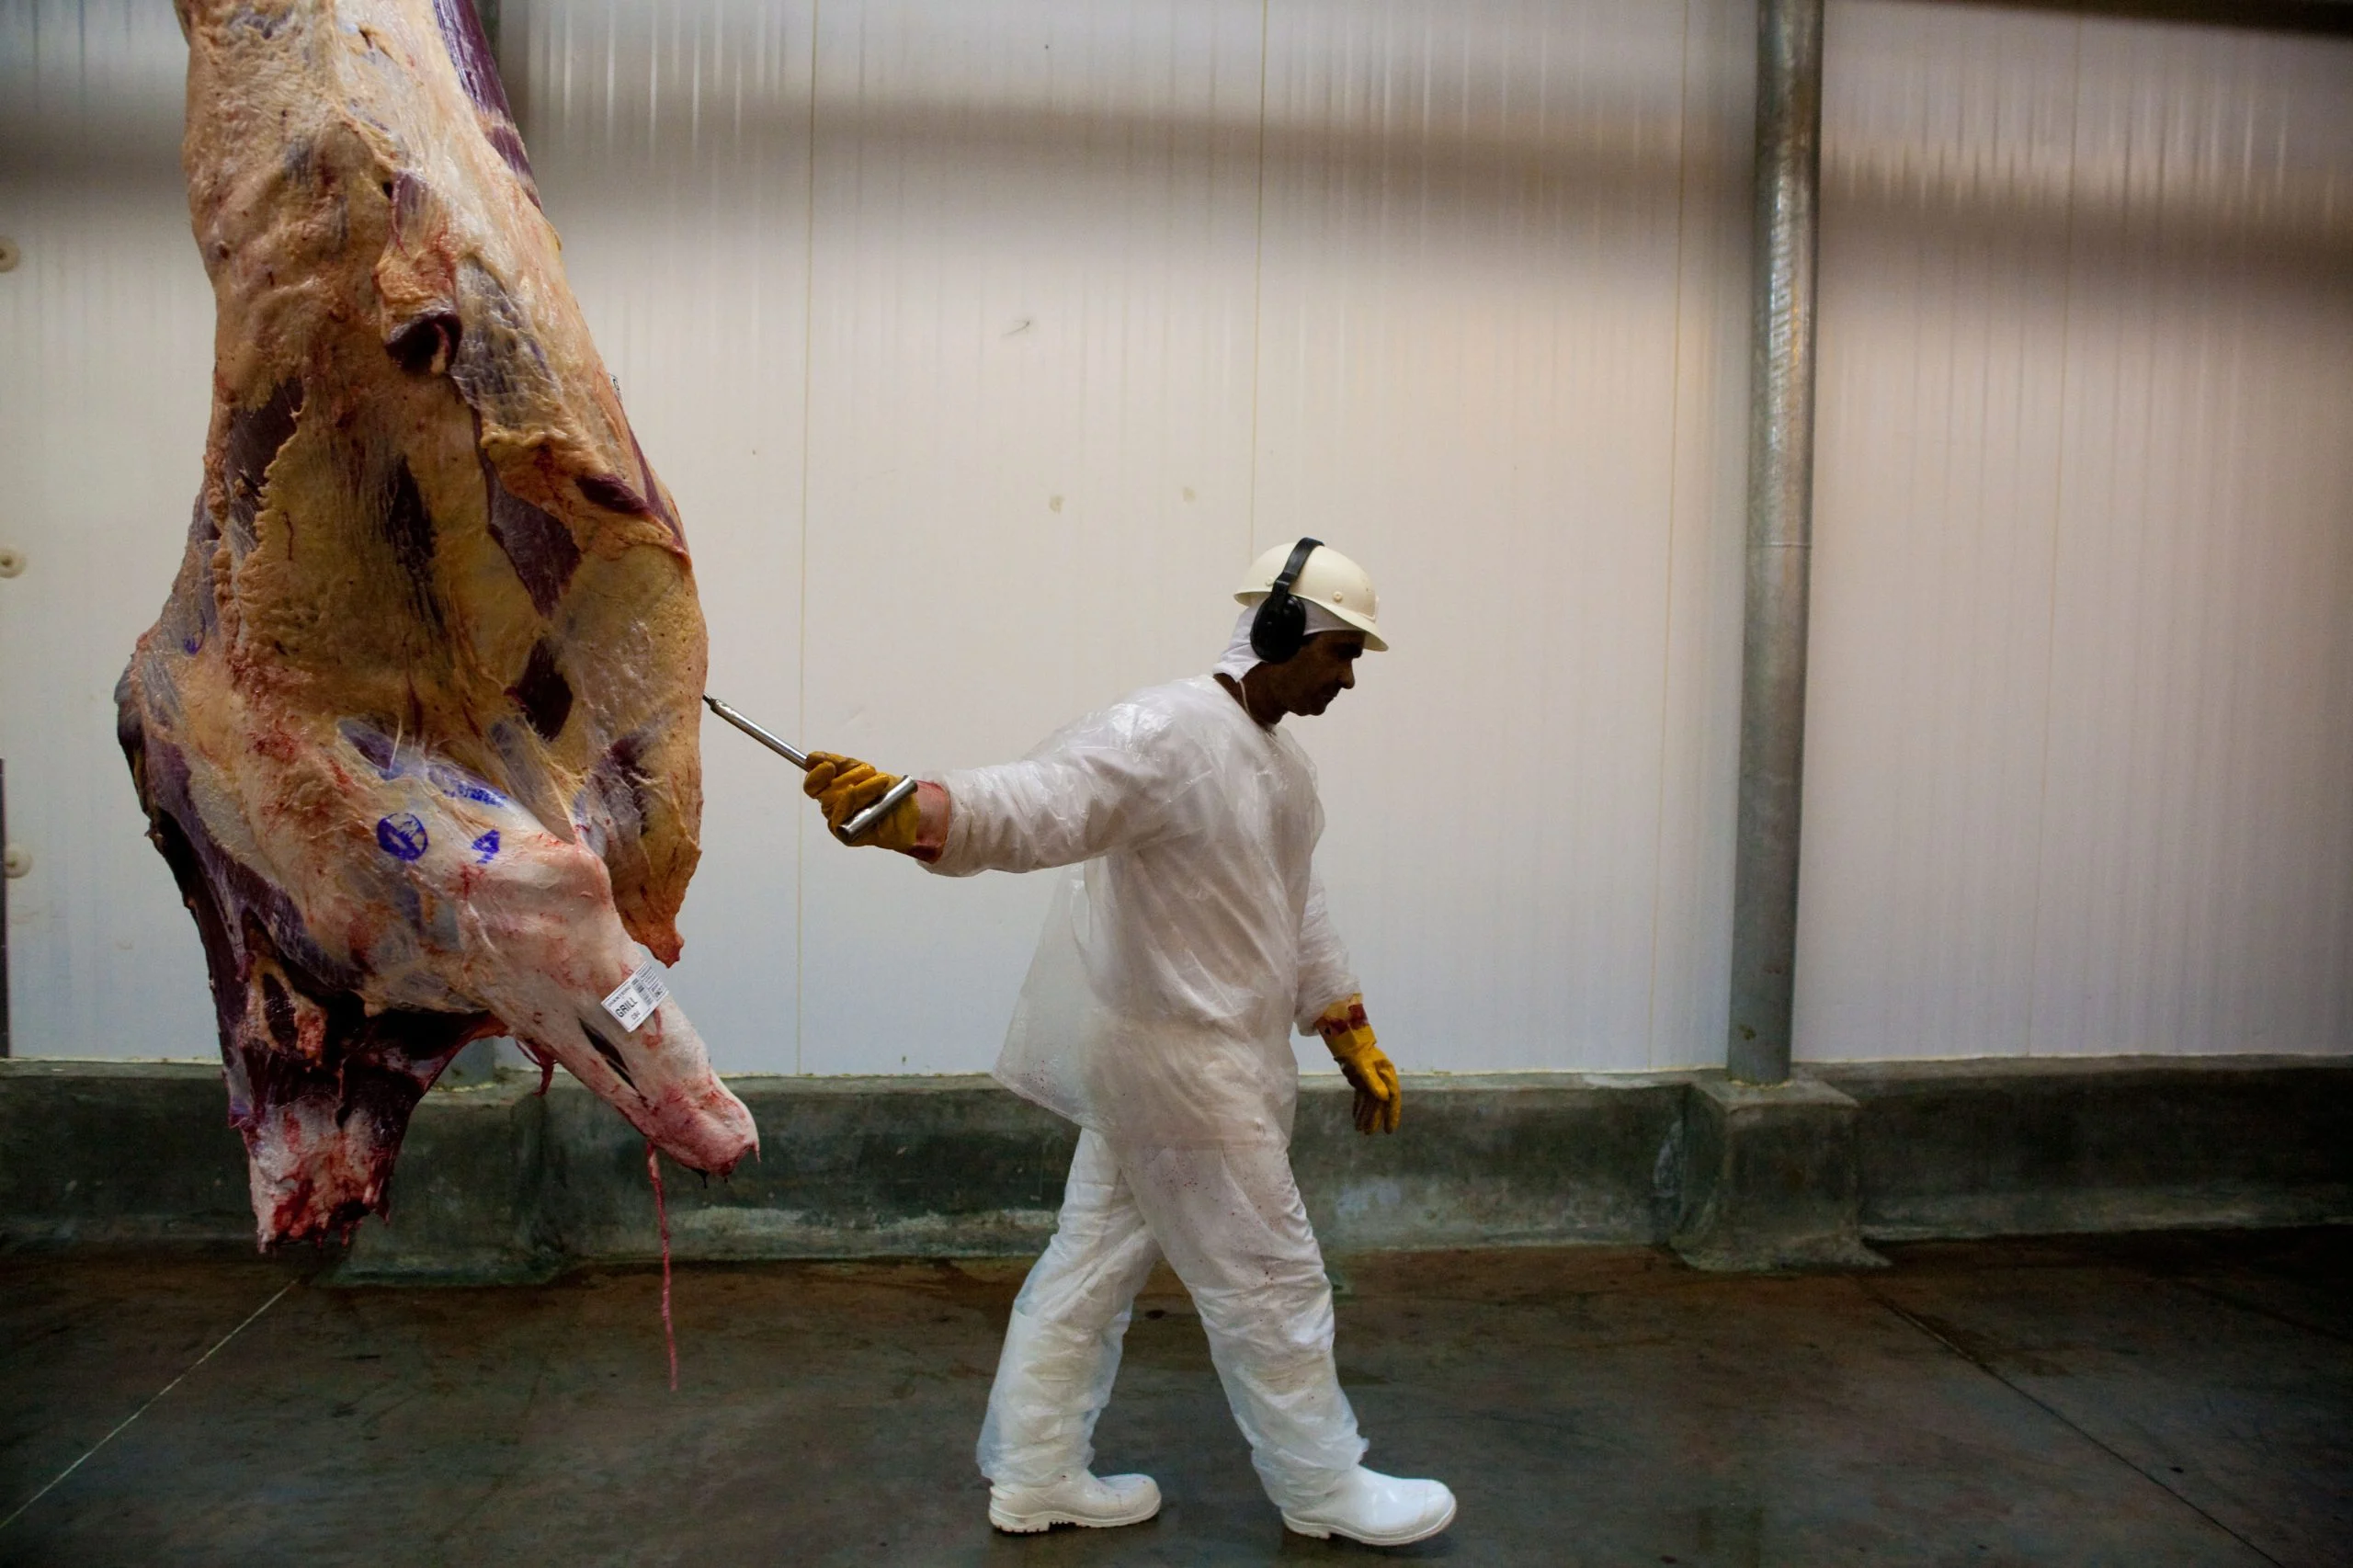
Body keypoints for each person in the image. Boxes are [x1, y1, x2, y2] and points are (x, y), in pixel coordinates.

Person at [801, 540, 1456, 1548]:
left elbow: (1295, 898)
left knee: (1087, 1270)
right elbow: (1044, 799)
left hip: (1177, 1064)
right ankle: (1325, 1487)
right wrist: (921, 812)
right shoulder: (1164, 732)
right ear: (1288, 633)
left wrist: (1346, 1020)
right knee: (1271, 1279)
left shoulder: (1279, 764)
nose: (1348, 677)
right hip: (1183, 1066)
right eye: (1343, 652)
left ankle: (1035, 1474)